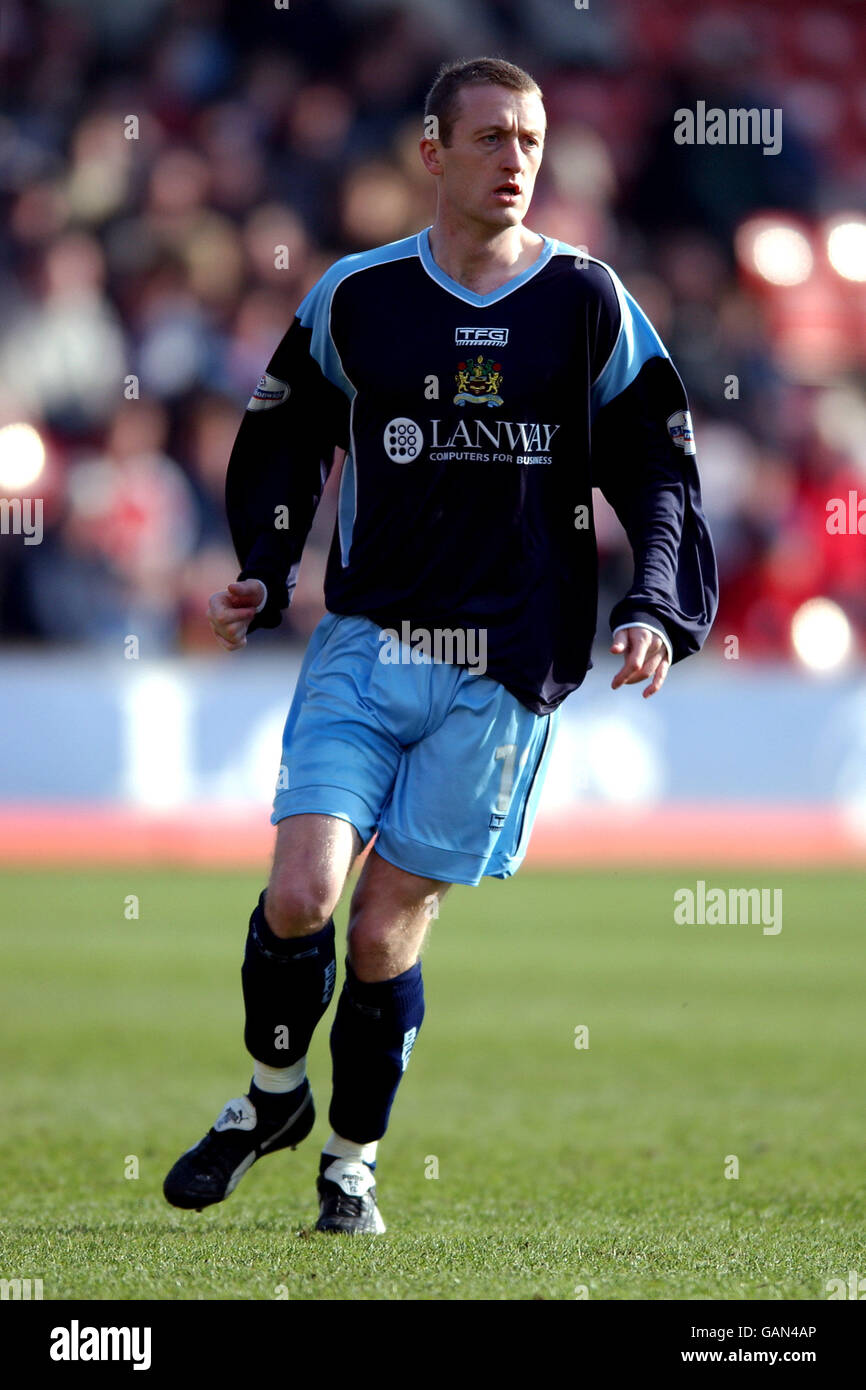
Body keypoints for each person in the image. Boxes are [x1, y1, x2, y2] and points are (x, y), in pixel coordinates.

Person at [163, 56, 718, 1234]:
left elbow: (659, 469)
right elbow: (283, 436)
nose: (515, 161)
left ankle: (350, 1162)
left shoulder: (585, 299)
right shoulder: (358, 296)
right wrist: (264, 562)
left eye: (530, 140)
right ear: (431, 153)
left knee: (379, 931)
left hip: (508, 667)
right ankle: (270, 1097)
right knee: (304, 892)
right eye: (489, 139)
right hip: (368, 643)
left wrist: (656, 603)